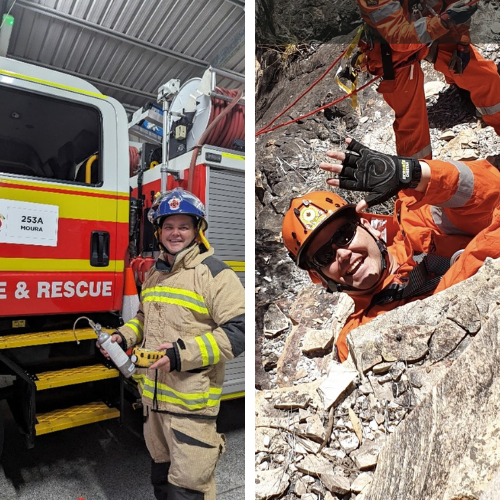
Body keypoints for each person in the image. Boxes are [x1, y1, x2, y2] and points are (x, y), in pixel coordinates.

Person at [282, 139, 500, 362]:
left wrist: (416, 173)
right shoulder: (355, 338)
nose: (343, 254)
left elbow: (492, 193)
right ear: (319, 277)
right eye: (324, 256)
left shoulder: (419, 221)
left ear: (368, 227)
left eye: (344, 235)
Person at [98, 187, 245, 500]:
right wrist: (123, 335)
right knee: (162, 484)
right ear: (158, 231)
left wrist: (180, 355)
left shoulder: (214, 274)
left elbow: (239, 331)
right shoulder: (153, 274)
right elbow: (143, 317)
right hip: (154, 406)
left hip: (190, 409)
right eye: (168, 226)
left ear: (196, 230)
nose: (175, 233)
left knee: (188, 491)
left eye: (183, 226)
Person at [353, 0, 500, 159]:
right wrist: (444, 21)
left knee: (486, 78)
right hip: (396, 51)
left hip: (433, 27)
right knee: (411, 123)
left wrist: (462, 42)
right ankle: (418, 178)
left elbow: (459, 4)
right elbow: (398, 37)